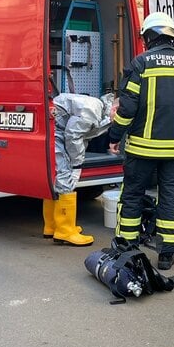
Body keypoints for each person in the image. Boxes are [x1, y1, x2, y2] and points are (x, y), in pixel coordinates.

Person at [108, 12, 174, 270]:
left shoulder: (140, 63)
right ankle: (166, 255)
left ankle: (126, 248)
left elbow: (127, 108)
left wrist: (114, 137)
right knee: (169, 199)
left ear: (149, 36)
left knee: (132, 195)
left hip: (141, 148)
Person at [42, 93, 114, 246]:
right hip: (56, 133)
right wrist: (76, 163)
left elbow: (81, 136)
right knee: (65, 178)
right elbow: (73, 136)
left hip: (54, 130)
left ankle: (52, 226)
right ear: (115, 109)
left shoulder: (97, 109)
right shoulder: (93, 111)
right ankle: (64, 231)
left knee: (57, 179)